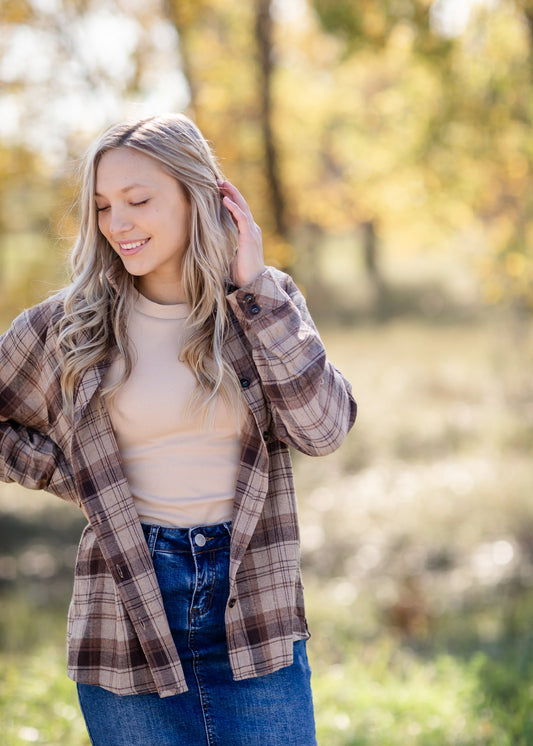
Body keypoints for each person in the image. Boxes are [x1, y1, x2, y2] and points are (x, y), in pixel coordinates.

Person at [0, 113, 356, 746]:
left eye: (139, 201)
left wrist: (255, 285)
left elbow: (323, 430)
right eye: (105, 206)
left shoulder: (262, 304)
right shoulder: (66, 328)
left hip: (254, 612)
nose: (118, 224)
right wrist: (72, 475)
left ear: (200, 198)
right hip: (125, 618)